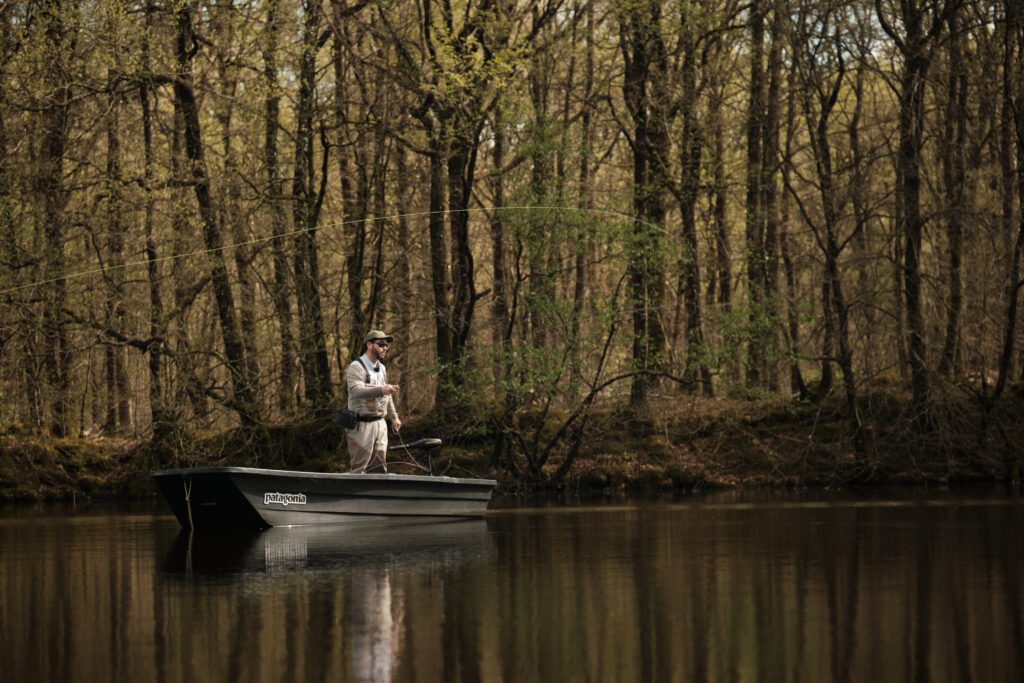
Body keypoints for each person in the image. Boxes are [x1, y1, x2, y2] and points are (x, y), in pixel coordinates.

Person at [345, 330, 402, 473]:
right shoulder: (356, 367)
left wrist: (394, 417)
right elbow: (356, 391)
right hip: (361, 425)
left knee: (379, 469)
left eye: (386, 345)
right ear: (369, 345)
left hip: (381, 424)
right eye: (381, 344)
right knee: (360, 468)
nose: (385, 348)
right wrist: (381, 389)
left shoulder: (382, 368)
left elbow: (387, 396)